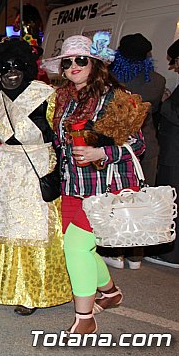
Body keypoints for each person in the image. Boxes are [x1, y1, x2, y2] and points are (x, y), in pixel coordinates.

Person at [42, 34, 147, 334]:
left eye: (81, 60)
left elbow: (137, 145)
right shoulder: (63, 98)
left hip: (105, 187)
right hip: (73, 186)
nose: (74, 66)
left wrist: (100, 151)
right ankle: (111, 293)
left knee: (76, 248)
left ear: (95, 63)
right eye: (68, 62)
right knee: (80, 249)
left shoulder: (116, 96)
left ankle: (85, 319)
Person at [0, 38, 72, 316]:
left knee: (36, 232)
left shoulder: (46, 94)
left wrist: (58, 169)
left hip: (37, 167)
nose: (10, 72)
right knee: (7, 229)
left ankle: (34, 291)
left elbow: (62, 136)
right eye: (4, 67)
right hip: (7, 168)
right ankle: (9, 286)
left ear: (27, 67)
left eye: (16, 65)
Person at [104, 33, 166, 270]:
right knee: (142, 200)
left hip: (118, 148)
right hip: (147, 148)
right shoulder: (158, 81)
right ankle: (136, 256)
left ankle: (117, 253)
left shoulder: (111, 81)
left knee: (117, 200)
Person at [145, 37, 179, 269]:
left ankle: (173, 255)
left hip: (176, 154)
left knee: (176, 203)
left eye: (177, 60)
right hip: (174, 151)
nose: (175, 66)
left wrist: (165, 102)